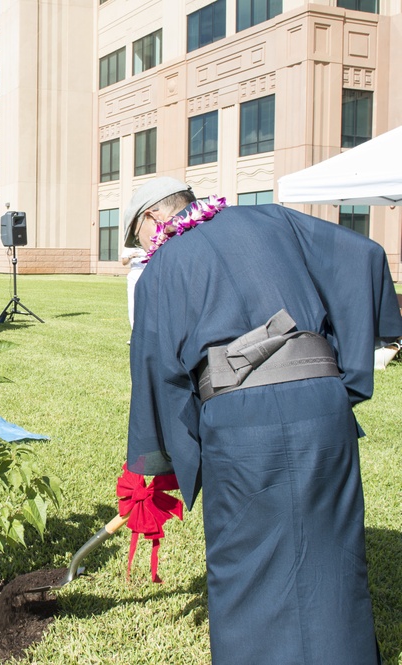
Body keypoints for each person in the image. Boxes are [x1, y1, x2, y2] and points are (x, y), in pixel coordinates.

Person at [124, 177, 402, 665]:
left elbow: (157, 374)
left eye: (139, 239)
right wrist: (345, 367)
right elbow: (363, 255)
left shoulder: (162, 267)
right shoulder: (274, 218)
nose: (144, 249)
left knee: (245, 568)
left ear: (152, 221)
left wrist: (165, 457)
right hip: (321, 405)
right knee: (333, 559)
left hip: (240, 422)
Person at [119, 246, 147, 330]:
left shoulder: (150, 243)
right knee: (132, 301)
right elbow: (124, 262)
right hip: (135, 272)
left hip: (147, 271)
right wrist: (131, 256)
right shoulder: (129, 247)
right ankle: (134, 330)